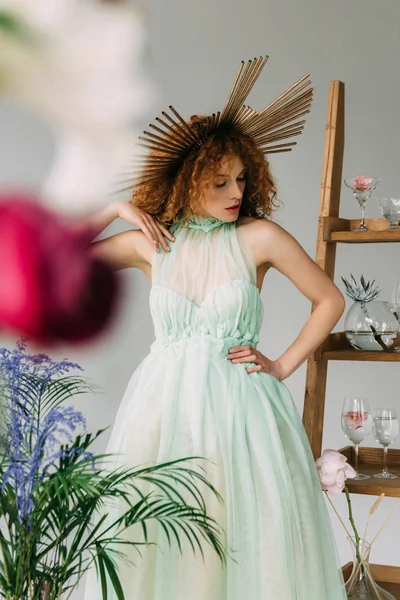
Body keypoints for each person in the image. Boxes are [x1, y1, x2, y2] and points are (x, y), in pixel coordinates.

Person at [83, 57, 347, 599]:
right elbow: (58, 260)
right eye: (219, 180)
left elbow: (329, 300)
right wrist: (115, 208)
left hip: (242, 414)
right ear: (186, 180)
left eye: (242, 178)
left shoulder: (259, 237)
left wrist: (281, 366)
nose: (235, 191)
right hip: (164, 414)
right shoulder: (151, 243)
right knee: (164, 545)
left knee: (250, 539)